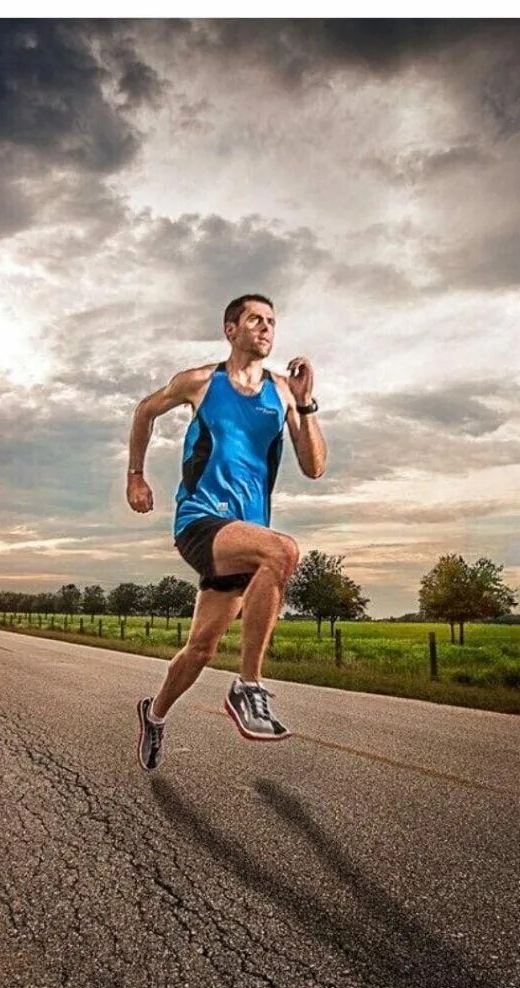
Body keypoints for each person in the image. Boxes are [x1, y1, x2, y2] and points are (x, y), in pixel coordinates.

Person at [127, 294, 327, 771]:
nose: (266, 328)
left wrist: (306, 404)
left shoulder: (281, 393)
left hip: (244, 533)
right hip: (198, 520)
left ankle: (153, 715)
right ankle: (248, 688)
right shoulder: (199, 382)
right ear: (230, 329)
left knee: (201, 648)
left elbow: (314, 467)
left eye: (272, 322)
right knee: (282, 553)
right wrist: (135, 474)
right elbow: (144, 411)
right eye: (255, 320)